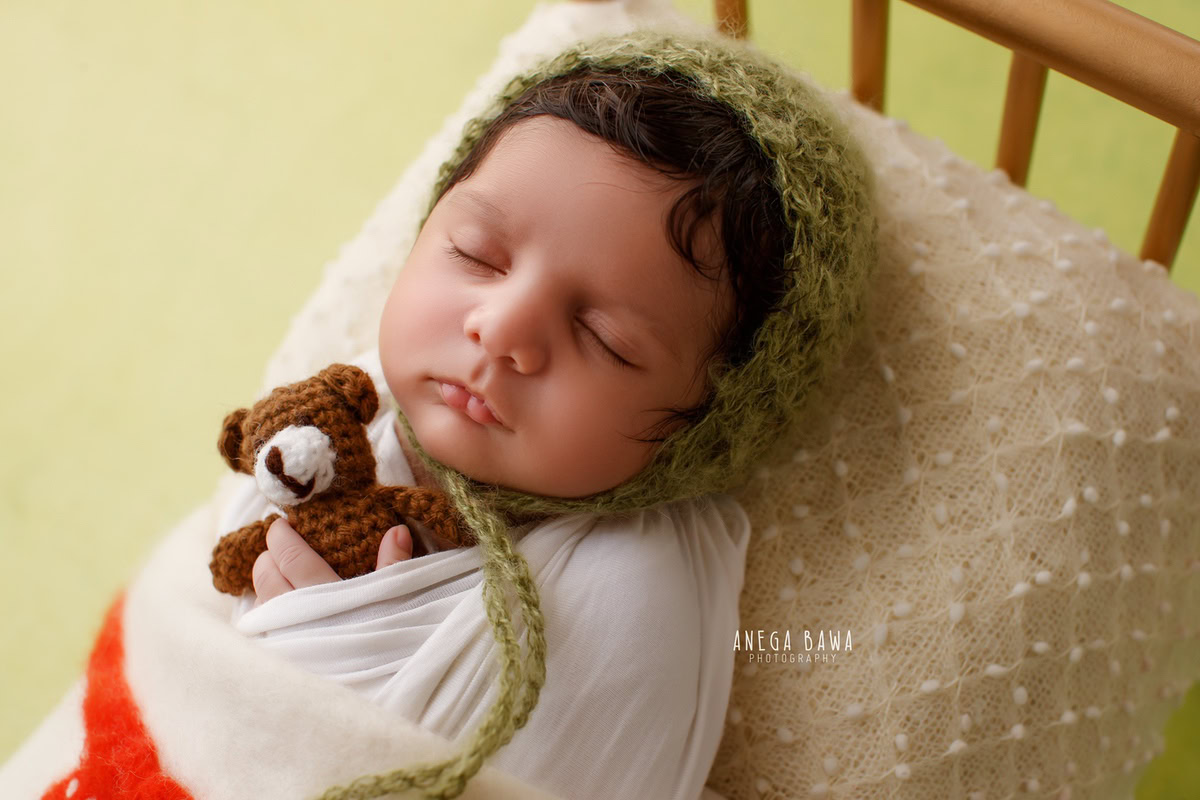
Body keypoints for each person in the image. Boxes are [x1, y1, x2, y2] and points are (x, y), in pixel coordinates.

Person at [220, 26, 878, 800]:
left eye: (605, 338)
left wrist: (342, 654)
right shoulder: (343, 412)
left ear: (706, 429)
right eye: (475, 254)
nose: (499, 331)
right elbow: (193, 613)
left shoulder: (631, 594)